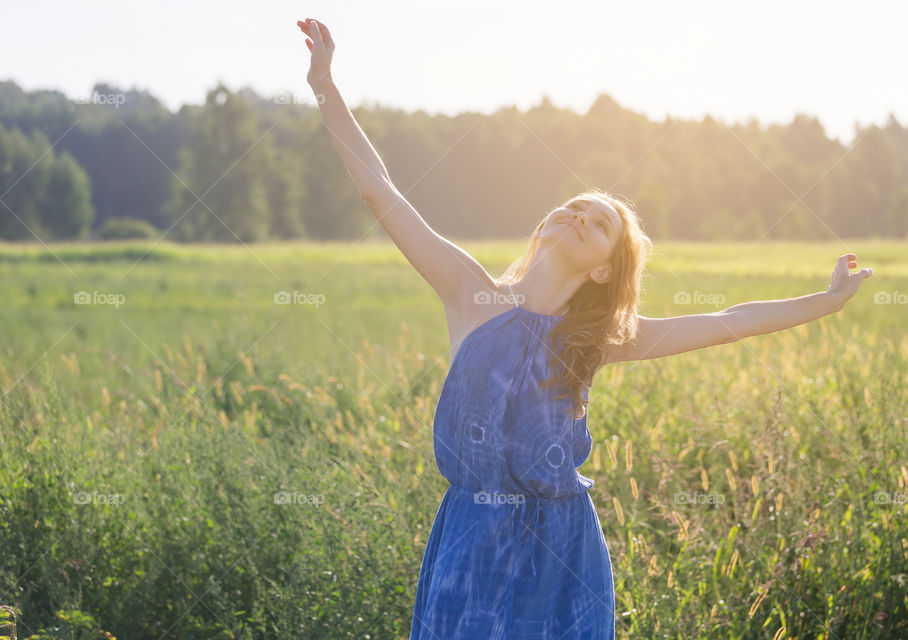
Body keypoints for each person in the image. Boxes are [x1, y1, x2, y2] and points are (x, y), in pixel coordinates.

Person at [296, 18, 874, 639]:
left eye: (599, 224)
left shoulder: (599, 339)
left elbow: (727, 321)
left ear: (604, 270)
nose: (579, 216)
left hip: (563, 548)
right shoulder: (471, 292)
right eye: (574, 208)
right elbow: (380, 190)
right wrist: (325, 85)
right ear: (544, 226)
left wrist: (826, 301)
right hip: (474, 534)